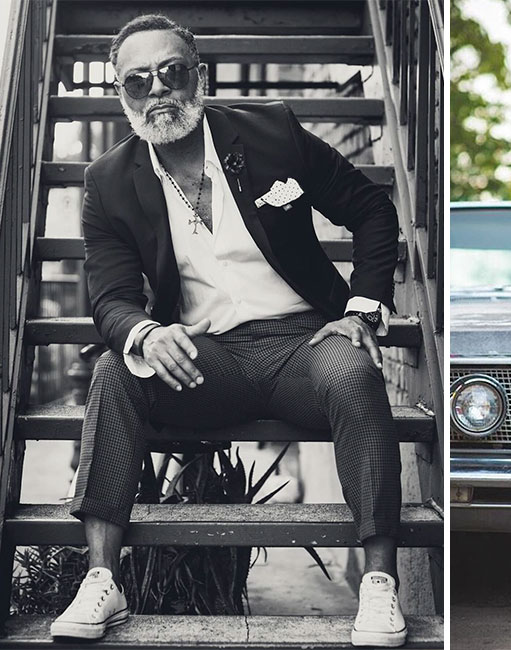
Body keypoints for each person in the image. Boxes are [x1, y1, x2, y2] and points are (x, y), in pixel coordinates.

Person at [49, 14, 407, 648]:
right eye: (137, 81)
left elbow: (373, 211)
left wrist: (361, 310)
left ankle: (379, 583)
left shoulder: (271, 133)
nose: (156, 90)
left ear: (200, 78)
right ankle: (102, 578)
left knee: (355, 369)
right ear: (121, 97)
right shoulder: (107, 183)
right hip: (205, 359)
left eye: (171, 72)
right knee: (114, 370)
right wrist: (143, 333)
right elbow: (109, 296)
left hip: (305, 345)